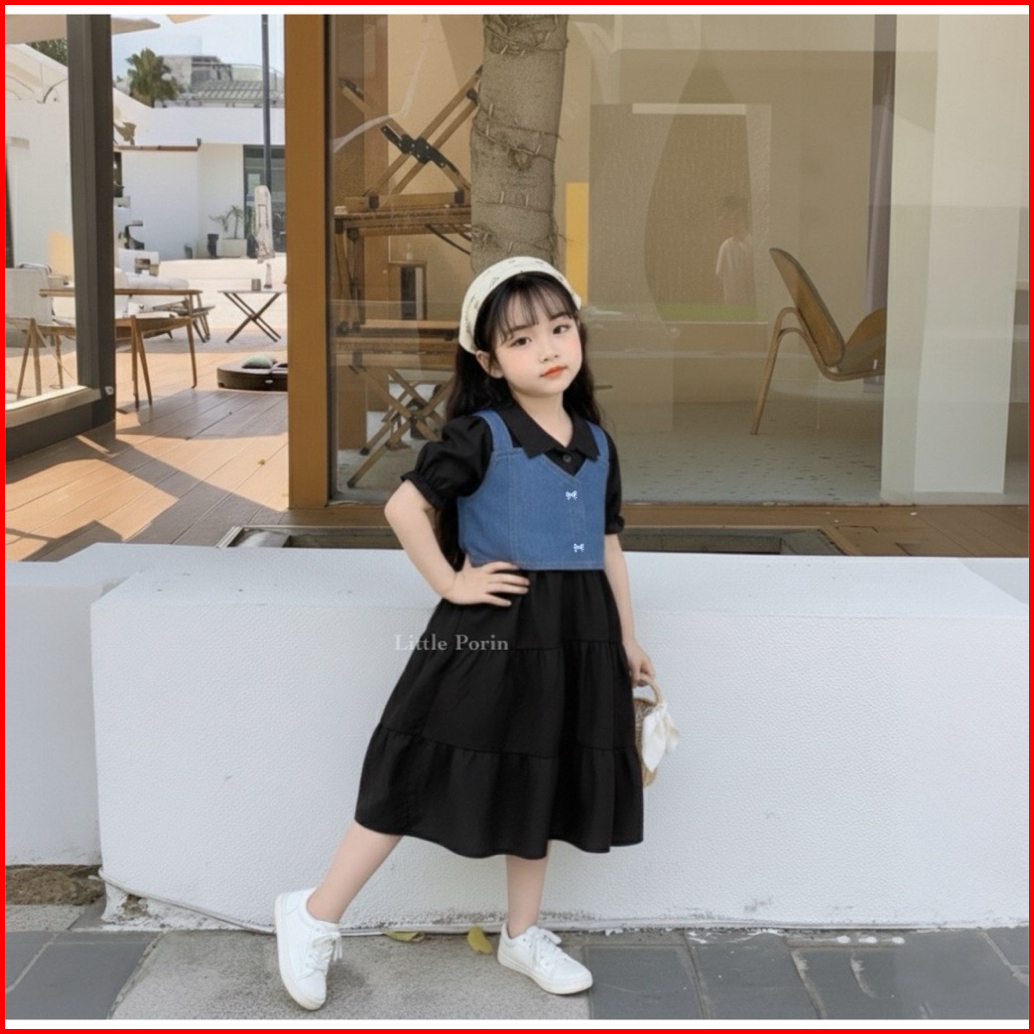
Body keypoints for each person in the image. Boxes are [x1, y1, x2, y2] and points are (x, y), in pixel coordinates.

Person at [274, 256, 655, 1011]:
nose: (549, 349)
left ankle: (522, 933)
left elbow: (607, 545)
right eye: (521, 340)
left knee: (542, 776)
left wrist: (625, 638)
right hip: (489, 638)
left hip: (575, 639)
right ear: (488, 361)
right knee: (413, 770)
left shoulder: (597, 441)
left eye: (560, 328)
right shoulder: (482, 434)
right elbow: (404, 508)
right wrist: (452, 584)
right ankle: (314, 914)